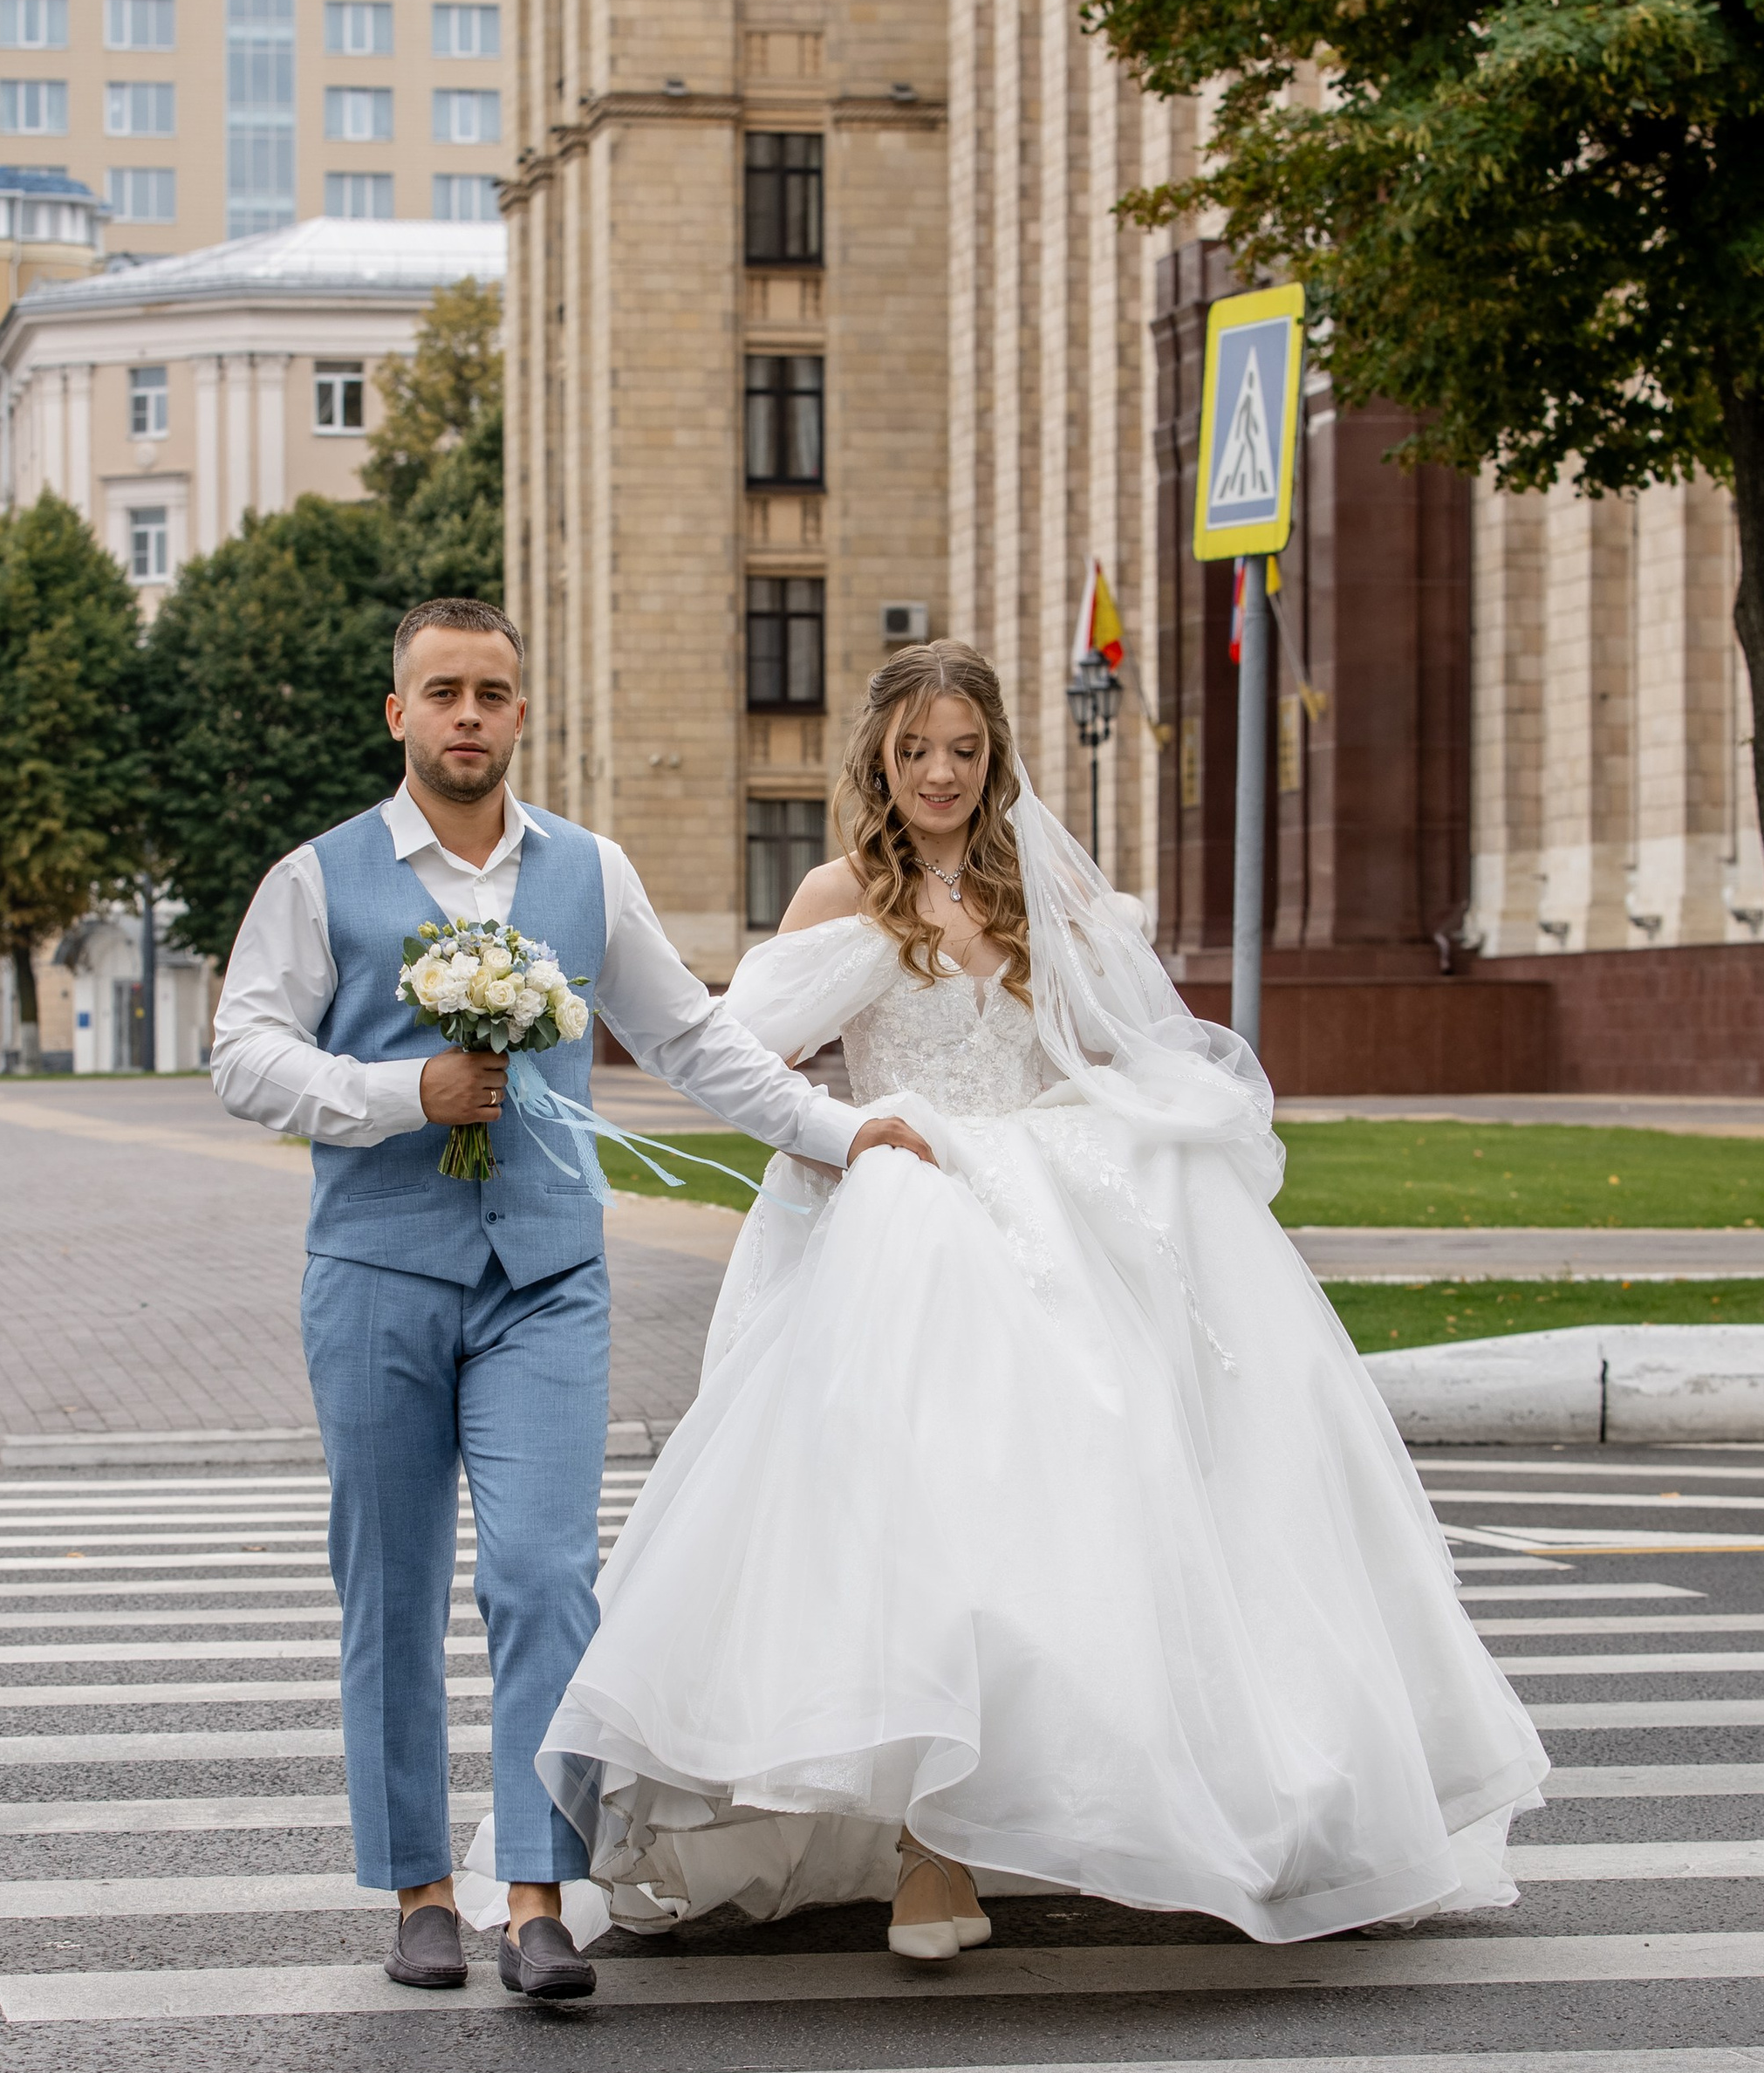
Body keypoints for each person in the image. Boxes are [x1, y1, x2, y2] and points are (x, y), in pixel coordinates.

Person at [540, 638, 1549, 1958]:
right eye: (917, 751)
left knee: (1093, 1516)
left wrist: (1136, 1142)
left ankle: (1111, 1807)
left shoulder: (1048, 903)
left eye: (964, 749)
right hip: (905, 1227)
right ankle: (927, 1850)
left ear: (996, 755)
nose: (942, 774)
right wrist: (849, 1151)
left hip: (1054, 1221)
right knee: (922, 1519)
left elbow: (1128, 1053)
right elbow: (755, 1073)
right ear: (880, 760)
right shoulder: (837, 897)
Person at [211, 597, 933, 2004]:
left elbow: (693, 1041)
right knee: (394, 1585)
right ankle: (418, 1886)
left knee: (546, 1576)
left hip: (543, 1277)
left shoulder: (587, 874)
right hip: (376, 1274)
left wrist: (843, 1132)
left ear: (522, 714)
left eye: (491, 692)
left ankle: (536, 1892)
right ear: (399, 714)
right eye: (442, 693)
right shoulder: (320, 879)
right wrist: (390, 1093)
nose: (467, 715)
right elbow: (243, 1051)